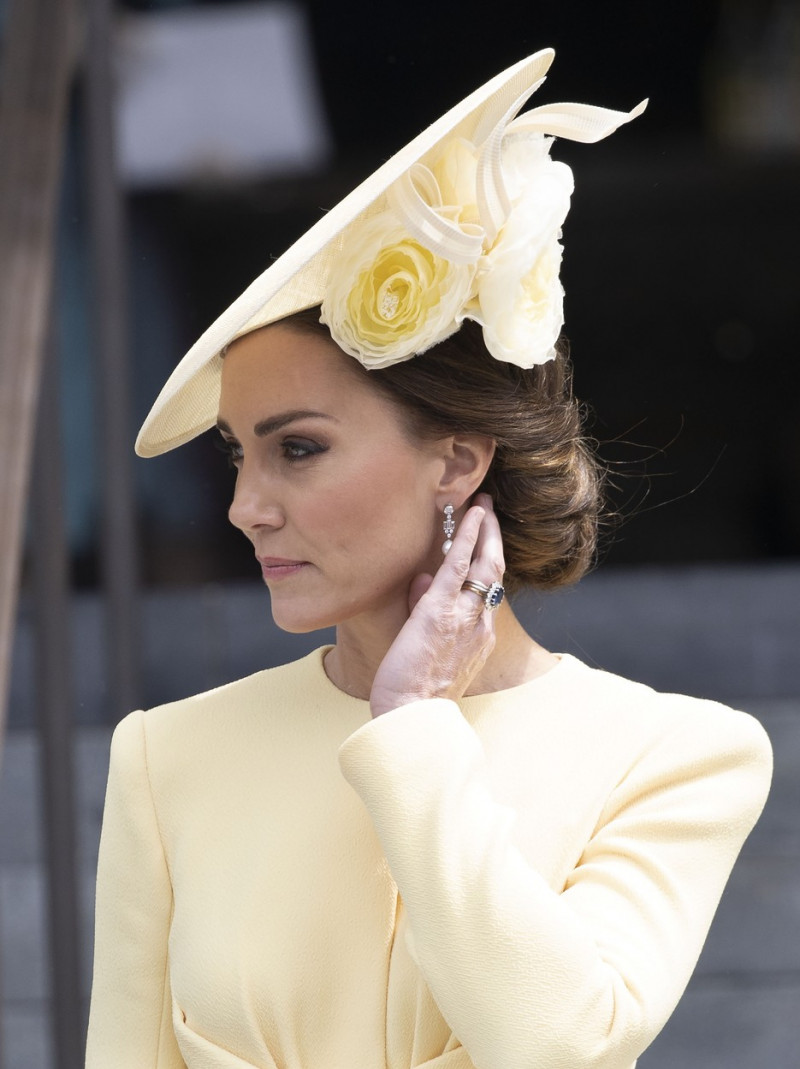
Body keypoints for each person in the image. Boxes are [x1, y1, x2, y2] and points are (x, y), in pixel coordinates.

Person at [85, 49, 772, 1069]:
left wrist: (410, 728)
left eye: (298, 448)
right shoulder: (164, 758)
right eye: (237, 456)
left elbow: (554, 1041)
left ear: (455, 458)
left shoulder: (673, 754)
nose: (242, 508)